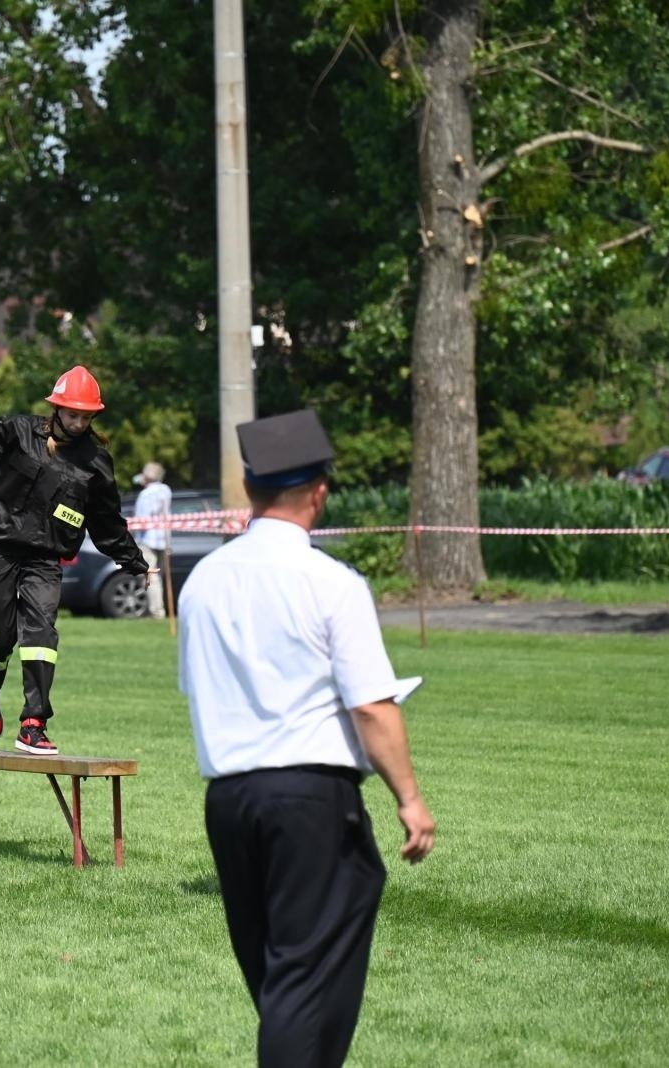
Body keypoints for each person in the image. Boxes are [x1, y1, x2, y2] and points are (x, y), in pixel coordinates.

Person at [177, 409, 436, 1068]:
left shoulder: (203, 581)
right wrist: (409, 797)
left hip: (228, 797)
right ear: (319, 491)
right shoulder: (332, 583)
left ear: (251, 488)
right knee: (302, 974)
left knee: (276, 975)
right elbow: (372, 708)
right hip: (309, 795)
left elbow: (198, 687)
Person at [0, 359, 151, 755]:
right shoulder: (16, 432)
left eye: (86, 416)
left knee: (41, 634)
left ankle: (33, 722)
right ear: (56, 408)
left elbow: (106, 521)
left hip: (45, 558)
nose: (78, 422)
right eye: (72, 413)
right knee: (2, 636)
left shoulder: (96, 462)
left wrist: (134, 560)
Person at [132, 461, 172, 620]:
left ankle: (156, 612)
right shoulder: (166, 490)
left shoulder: (146, 494)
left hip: (147, 539)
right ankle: (158, 610)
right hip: (163, 538)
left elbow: (142, 519)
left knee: (150, 577)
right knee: (158, 577)